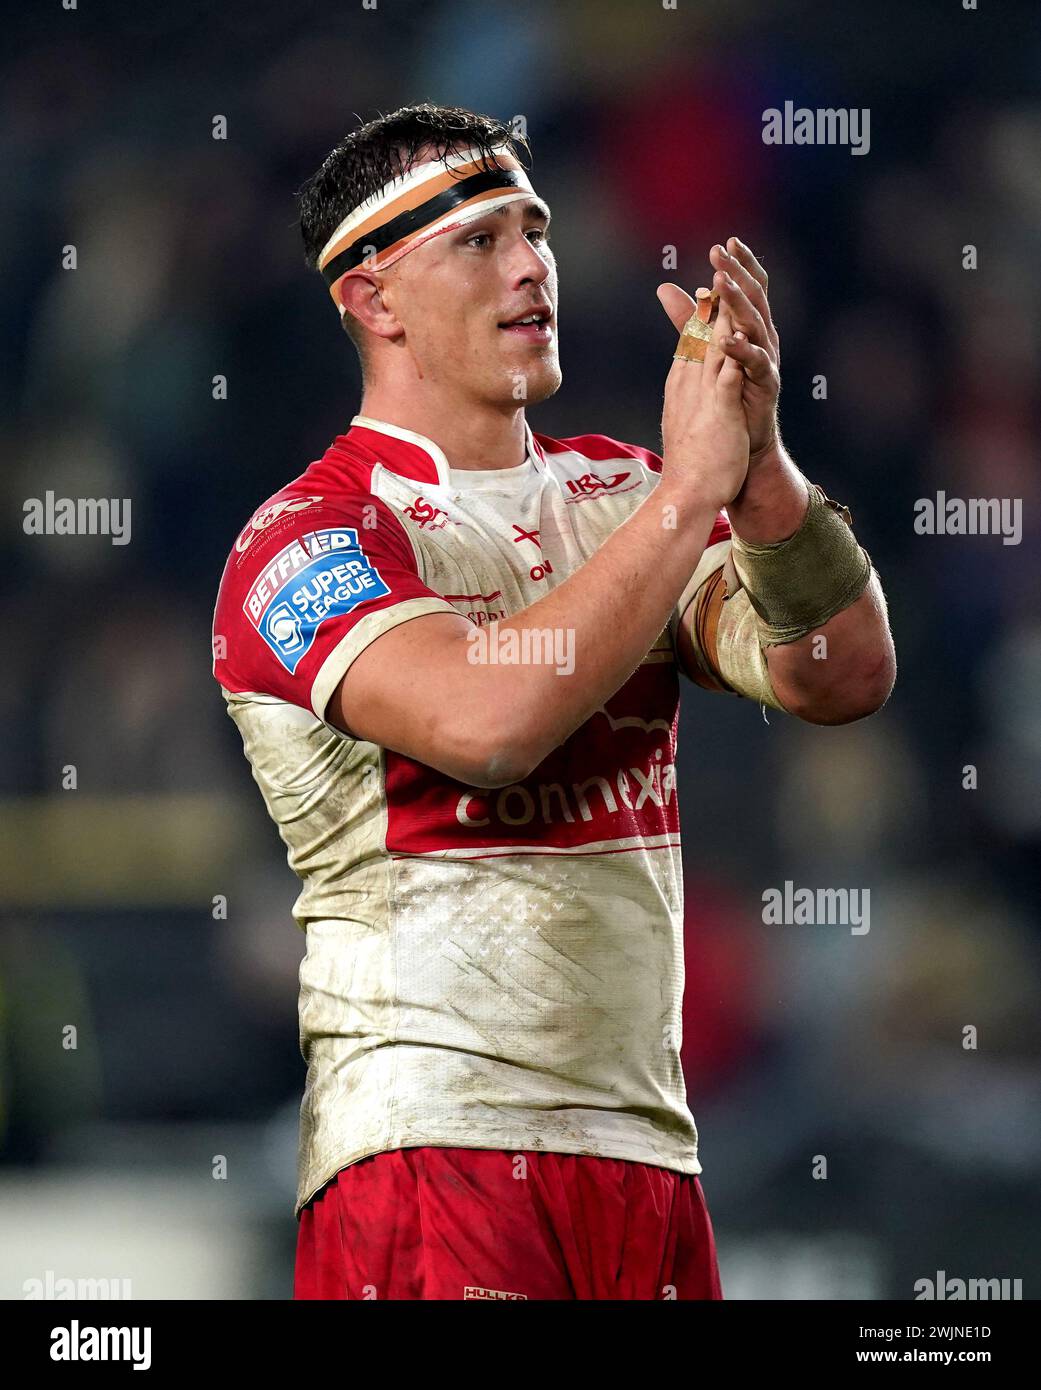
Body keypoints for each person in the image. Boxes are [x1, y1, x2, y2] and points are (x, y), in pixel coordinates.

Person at [211, 102, 895, 1300]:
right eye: (478, 240)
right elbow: (487, 727)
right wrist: (691, 496)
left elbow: (837, 671)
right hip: (432, 1146)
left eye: (536, 229)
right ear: (373, 300)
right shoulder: (307, 536)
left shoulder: (620, 490)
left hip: (650, 1156)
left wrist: (764, 463)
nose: (532, 264)